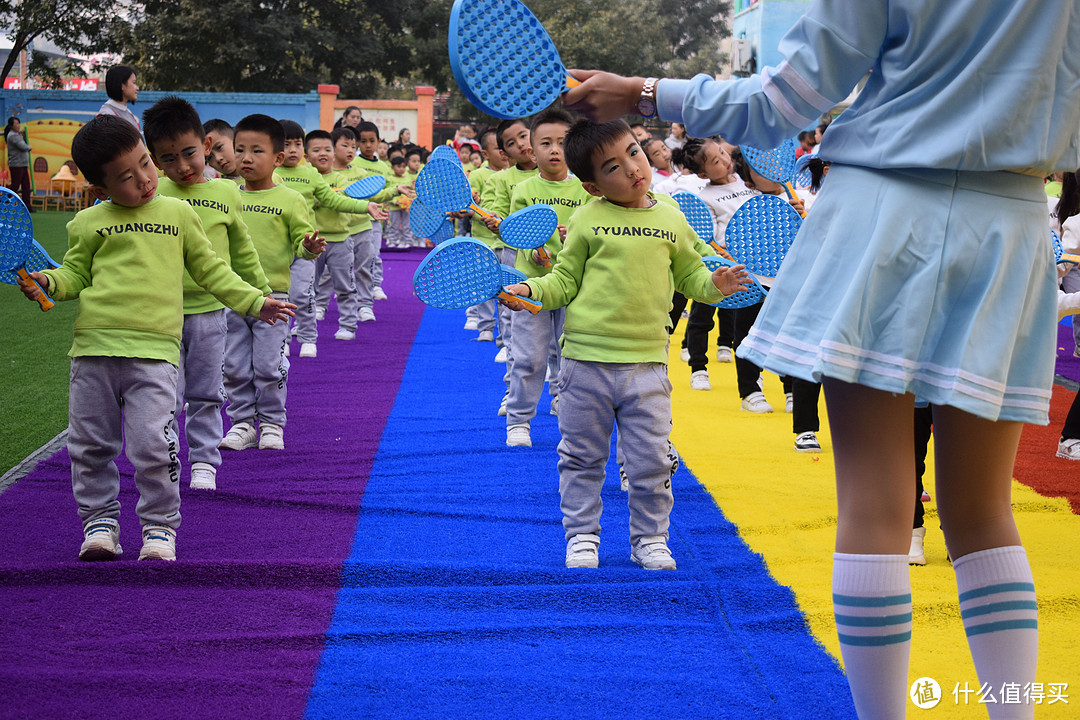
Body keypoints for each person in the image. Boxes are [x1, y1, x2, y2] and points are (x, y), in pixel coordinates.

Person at [563, 2, 1079, 717]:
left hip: (881, 213)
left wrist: (644, 92)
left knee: (875, 504)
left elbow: (781, 102)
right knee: (985, 510)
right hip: (1011, 220)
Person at [16, 115, 294, 561]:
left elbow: (211, 269)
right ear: (101, 186)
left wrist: (255, 301)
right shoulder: (88, 223)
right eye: (127, 177)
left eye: (146, 163)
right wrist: (49, 282)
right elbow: (74, 273)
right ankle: (100, 522)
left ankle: (160, 527)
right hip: (93, 351)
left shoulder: (178, 212)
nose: (145, 179)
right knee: (89, 446)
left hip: (155, 354)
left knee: (152, 445)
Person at [502, 118, 751, 570]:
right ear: (593, 187)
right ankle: (581, 536)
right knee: (581, 458)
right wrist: (533, 292)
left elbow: (691, 276)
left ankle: (650, 539)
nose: (633, 168)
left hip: (648, 366)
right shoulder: (587, 219)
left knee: (651, 463)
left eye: (634, 153)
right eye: (612, 167)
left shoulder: (672, 217)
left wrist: (717, 284)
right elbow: (564, 280)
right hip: (584, 364)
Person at [143, 96, 273, 492]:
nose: (181, 166)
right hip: (160, 316)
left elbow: (243, 251)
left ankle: (203, 461)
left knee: (205, 392)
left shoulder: (227, 193)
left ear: (207, 143)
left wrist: (262, 294)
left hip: (210, 313)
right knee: (165, 396)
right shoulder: (152, 193)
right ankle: (167, 461)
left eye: (189, 153)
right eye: (167, 158)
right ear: (152, 159)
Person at [219, 114, 326, 453]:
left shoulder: (290, 199)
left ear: (278, 158)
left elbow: (300, 245)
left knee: (268, 365)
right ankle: (241, 423)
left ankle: (271, 423)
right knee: (234, 366)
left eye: (256, 151)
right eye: (240, 150)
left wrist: (308, 248)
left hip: (274, 298)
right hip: (232, 296)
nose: (245, 158)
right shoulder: (226, 195)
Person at [502, 109, 592, 448]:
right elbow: (519, 233)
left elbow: (591, 237)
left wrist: (576, 237)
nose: (555, 149)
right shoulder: (524, 189)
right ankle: (519, 420)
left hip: (573, 287)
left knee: (571, 355)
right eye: (546, 143)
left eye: (562, 142)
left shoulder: (586, 190)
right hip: (532, 288)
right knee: (530, 357)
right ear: (531, 149)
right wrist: (537, 249)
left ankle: (565, 407)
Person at [274, 120, 376, 355]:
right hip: (276, 247)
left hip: (306, 246)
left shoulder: (310, 174)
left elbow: (334, 200)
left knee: (304, 291)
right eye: (285, 144)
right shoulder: (270, 173)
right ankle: (283, 340)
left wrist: (365, 206)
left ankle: (309, 337)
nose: (292, 150)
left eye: (297, 144)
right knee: (279, 294)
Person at [480, 117, 539, 413]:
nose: (521, 145)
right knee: (516, 330)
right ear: (505, 153)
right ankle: (513, 393)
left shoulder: (564, 177)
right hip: (515, 259)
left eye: (524, 136)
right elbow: (498, 215)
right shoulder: (500, 180)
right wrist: (495, 224)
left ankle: (560, 396)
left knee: (562, 336)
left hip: (559, 264)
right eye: (511, 144)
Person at [97, 66, 141, 131]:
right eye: (134, 82)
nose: (137, 88)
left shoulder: (128, 112)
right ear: (122, 85)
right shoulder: (107, 115)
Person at [4, 117, 32, 209]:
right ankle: (4, 202)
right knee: (15, 185)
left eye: (18, 123)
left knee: (26, 186)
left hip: (22, 164)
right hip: (17, 164)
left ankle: (27, 206)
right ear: (11, 126)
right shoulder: (13, 135)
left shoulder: (16, 135)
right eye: (16, 123)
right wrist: (29, 147)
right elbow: (23, 146)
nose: (18, 125)